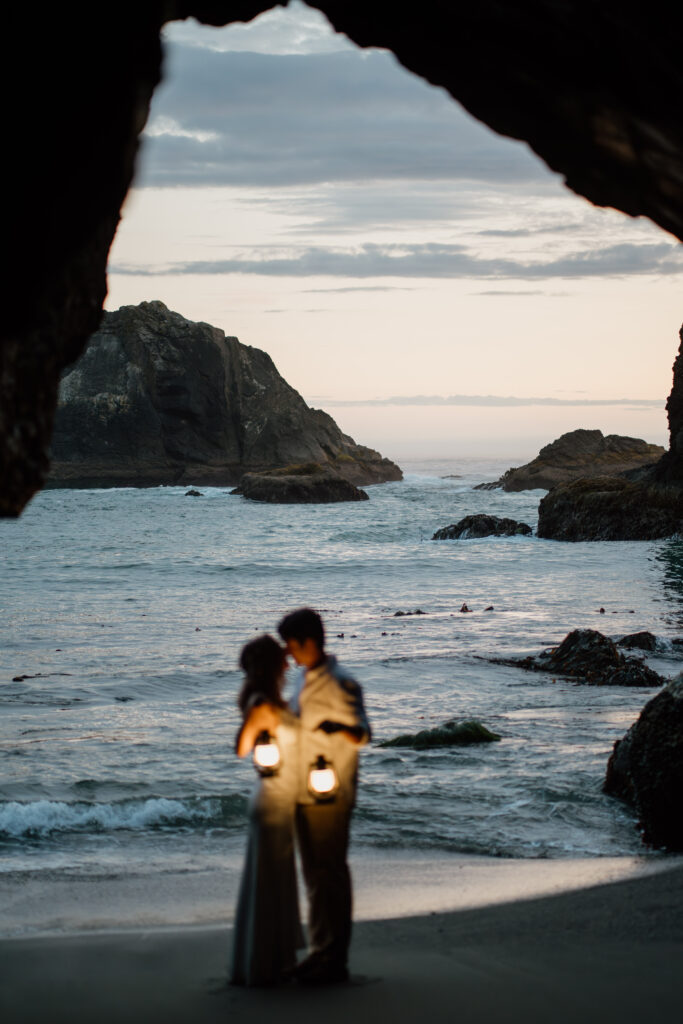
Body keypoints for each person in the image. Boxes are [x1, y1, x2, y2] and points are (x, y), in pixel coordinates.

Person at [277, 608, 371, 985]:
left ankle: (335, 958)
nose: (288, 653)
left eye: (291, 645)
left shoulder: (341, 682)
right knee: (313, 872)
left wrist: (338, 727)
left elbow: (363, 733)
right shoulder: (302, 679)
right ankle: (320, 951)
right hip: (301, 784)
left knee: (330, 871)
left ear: (308, 641)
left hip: (333, 789)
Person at [230, 634, 304, 987]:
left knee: (275, 879)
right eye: (282, 660)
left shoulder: (269, 700)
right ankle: (264, 964)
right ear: (271, 667)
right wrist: (263, 735)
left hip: (279, 793)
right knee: (269, 880)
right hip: (271, 795)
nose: (288, 664)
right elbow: (240, 746)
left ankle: (271, 960)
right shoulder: (262, 704)